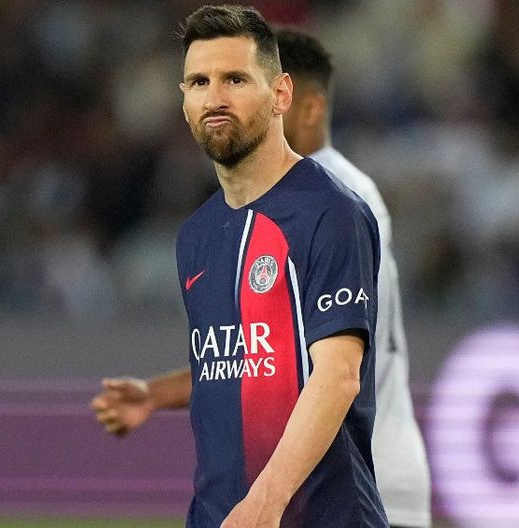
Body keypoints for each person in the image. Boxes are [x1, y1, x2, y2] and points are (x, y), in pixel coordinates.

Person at [91, 5, 387, 527]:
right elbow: (250, 361)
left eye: (235, 79)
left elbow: (338, 376)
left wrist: (264, 505)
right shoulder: (196, 236)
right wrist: (155, 395)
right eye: (199, 82)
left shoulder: (330, 213)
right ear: (184, 100)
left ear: (281, 94)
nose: (215, 98)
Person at [275, 28, 432, 528]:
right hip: (346, 479)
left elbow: (337, 360)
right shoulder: (303, 194)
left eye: (273, 97)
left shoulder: (335, 195)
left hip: (362, 480)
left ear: (310, 108)